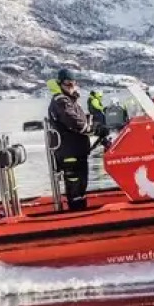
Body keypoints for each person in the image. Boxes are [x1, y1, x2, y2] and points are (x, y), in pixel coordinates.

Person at [47, 68, 106, 211]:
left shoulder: (71, 100)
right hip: (69, 150)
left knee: (81, 182)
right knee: (75, 182)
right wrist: (93, 129)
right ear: (60, 84)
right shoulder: (61, 101)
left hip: (77, 148)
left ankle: (80, 208)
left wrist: (96, 124)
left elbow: (81, 119)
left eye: (73, 83)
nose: (70, 86)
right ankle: (76, 211)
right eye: (67, 83)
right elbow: (75, 122)